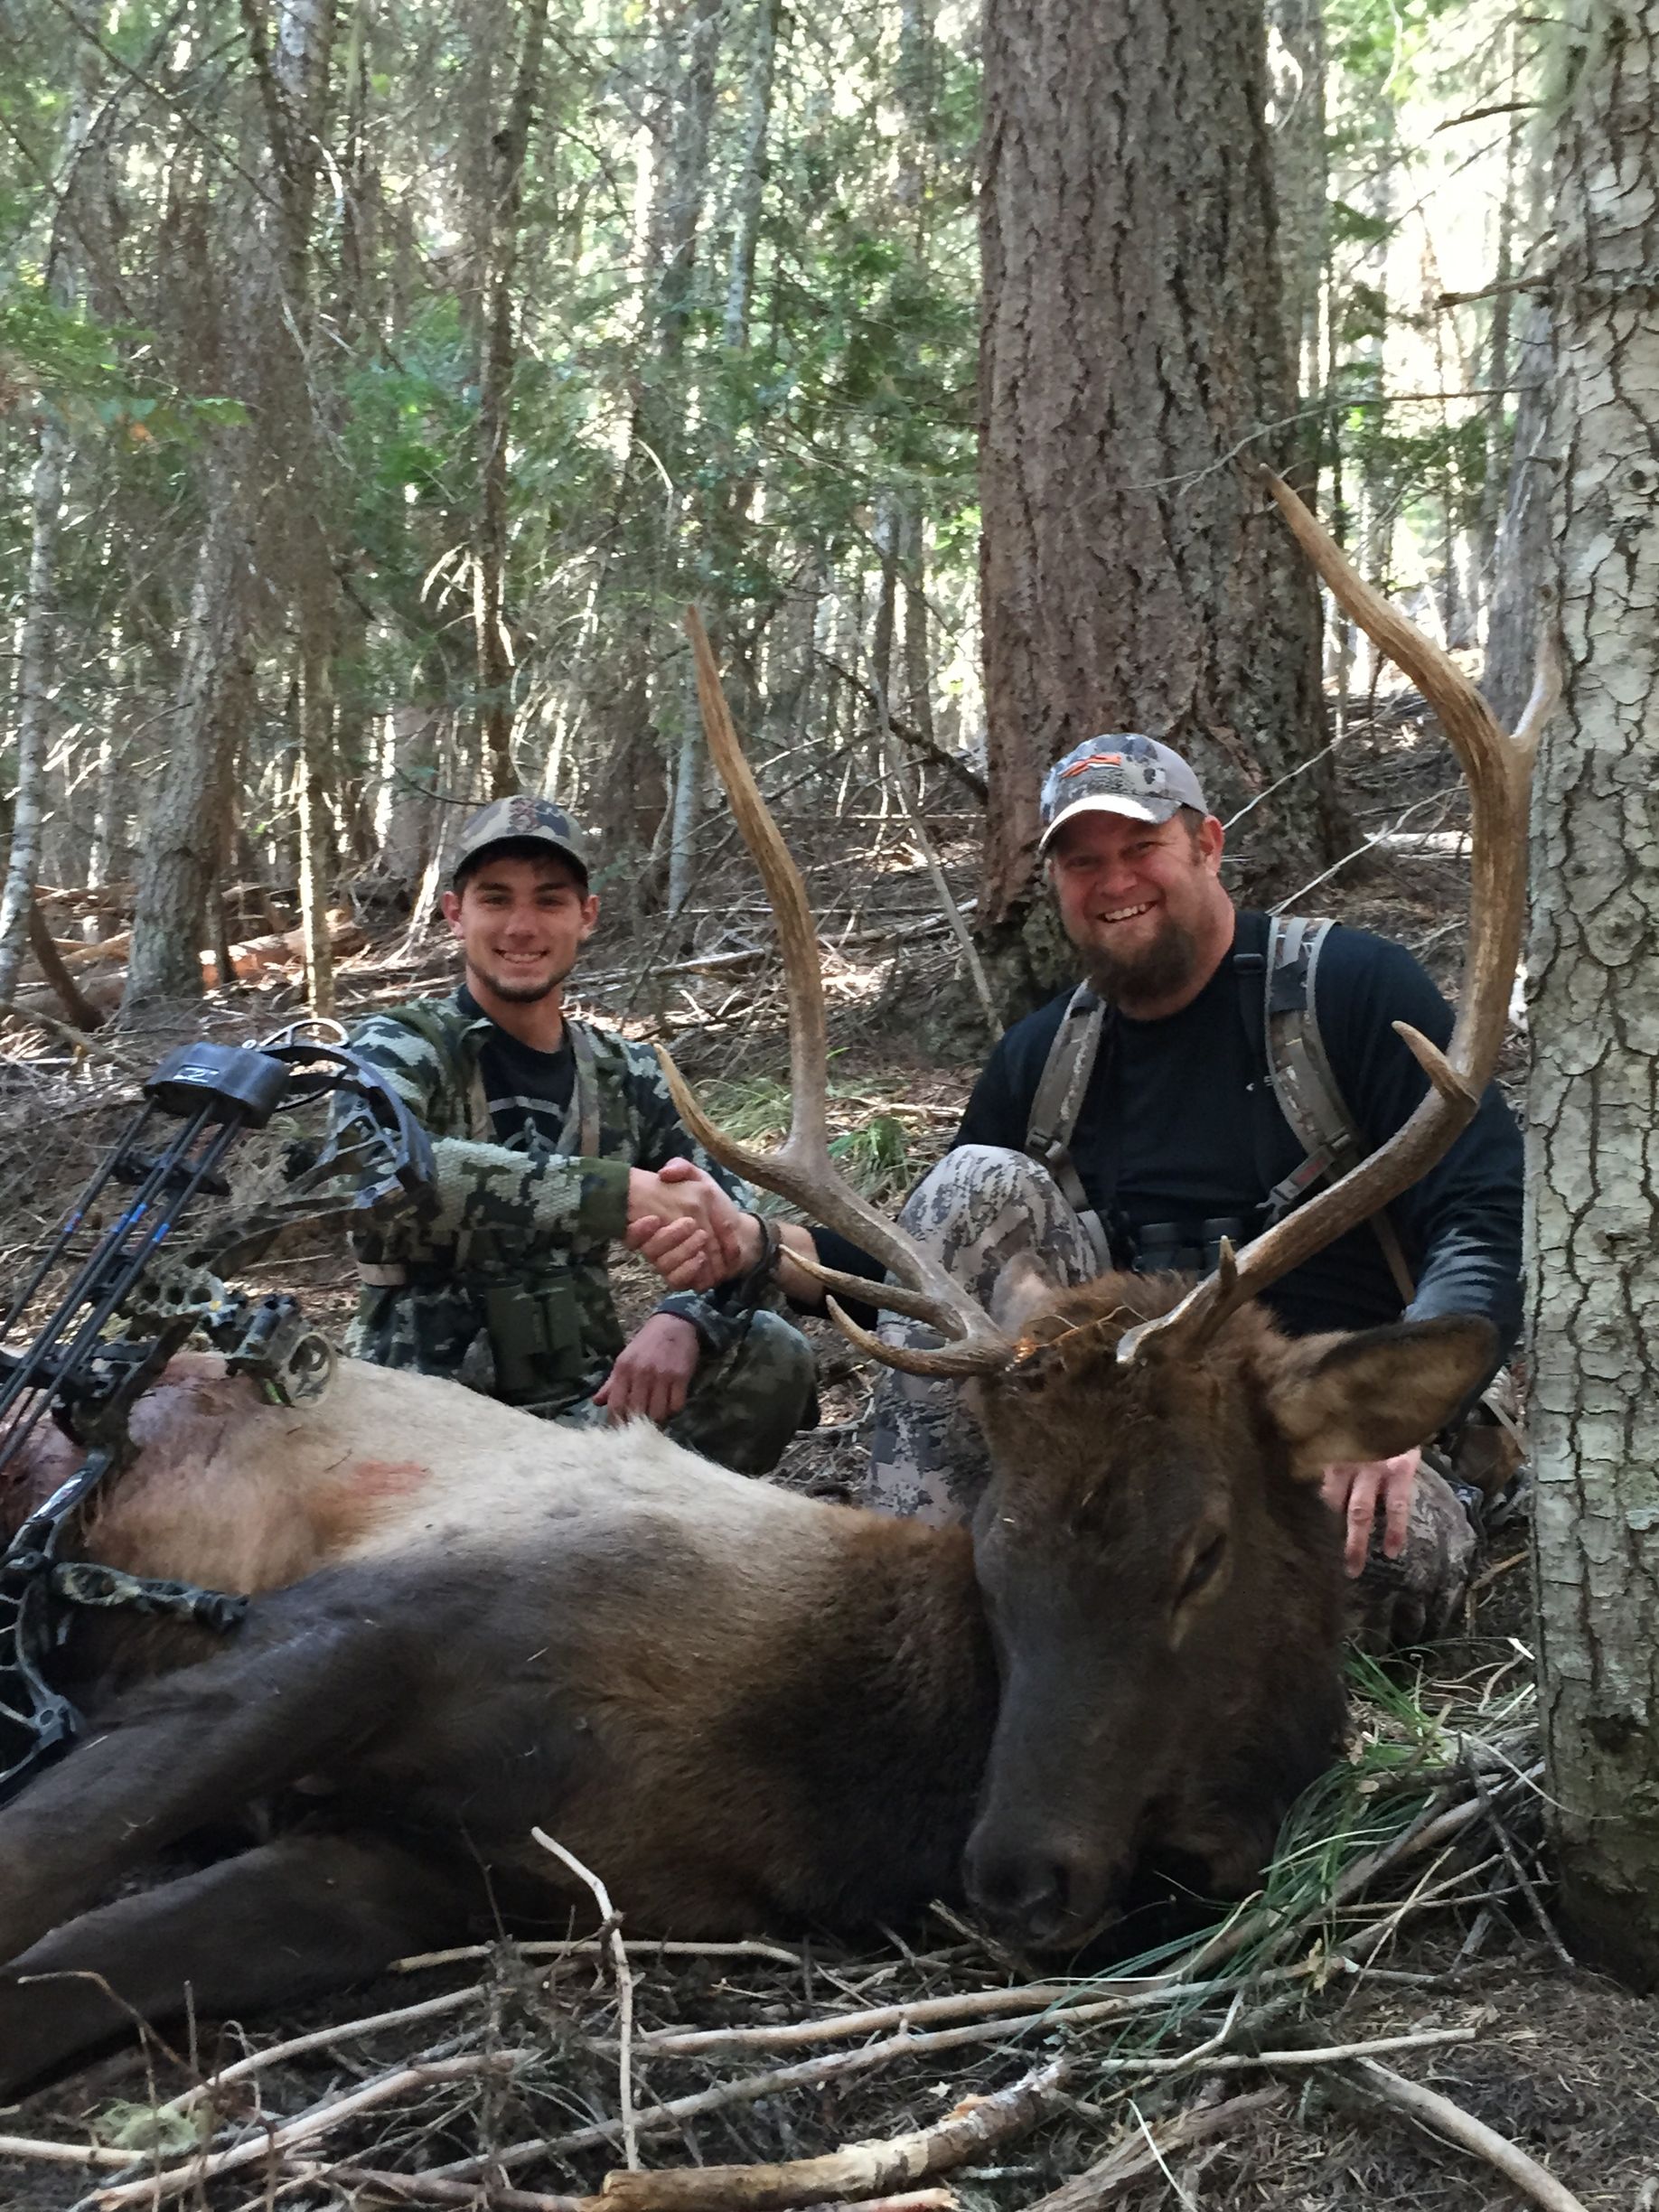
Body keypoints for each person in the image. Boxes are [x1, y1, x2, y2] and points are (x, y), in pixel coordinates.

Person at [800, 734, 1524, 1644]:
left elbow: (1483, 1212)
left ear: (1207, 846)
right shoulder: (1044, 1057)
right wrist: (755, 1251)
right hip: (1119, 1446)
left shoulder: (1349, 989)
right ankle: (919, 1624)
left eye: (1141, 849)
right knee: (972, 1180)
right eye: (1082, 861)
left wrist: (1404, 1399)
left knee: (1361, 1563)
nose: (1113, 883)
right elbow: (913, 1252)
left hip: (1320, 1427)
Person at [340, 793, 816, 1476]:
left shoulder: (631, 1073)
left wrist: (685, 1315)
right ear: (456, 914)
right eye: (496, 899)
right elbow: (379, 1170)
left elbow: (735, 1221)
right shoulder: (400, 1046)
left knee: (769, 1351)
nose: (522, 926)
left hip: (584, 1417)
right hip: (417, 1427)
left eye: (551, 901)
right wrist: (615, 1193)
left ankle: (661, 1564)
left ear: (586, 916)